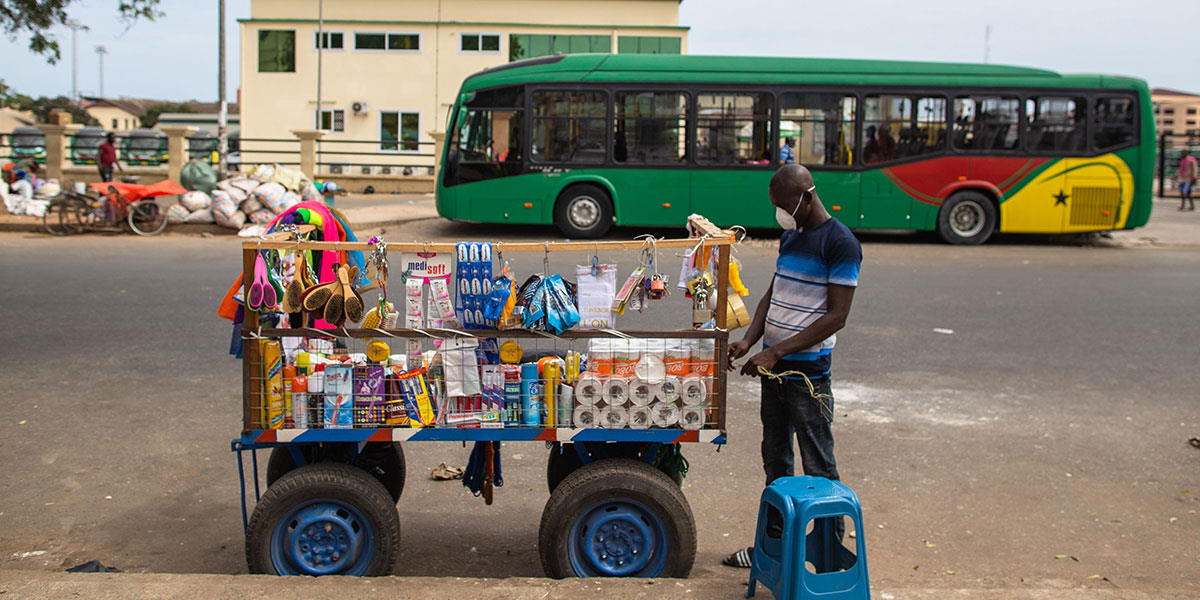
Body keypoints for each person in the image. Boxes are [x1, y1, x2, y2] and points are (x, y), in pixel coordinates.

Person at [722, 164, 862, 570]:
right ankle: (772, 549)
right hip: (775, 371)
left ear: (806, 196)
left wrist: (777, 351)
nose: (780, 213)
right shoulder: (791, 236)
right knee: (776, 462)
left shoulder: (841, 244)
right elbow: (774, 292)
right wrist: (750, 340)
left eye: (783, 205)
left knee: (819, 467)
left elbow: (837, 316)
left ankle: (828, 556)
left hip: (808, 376)